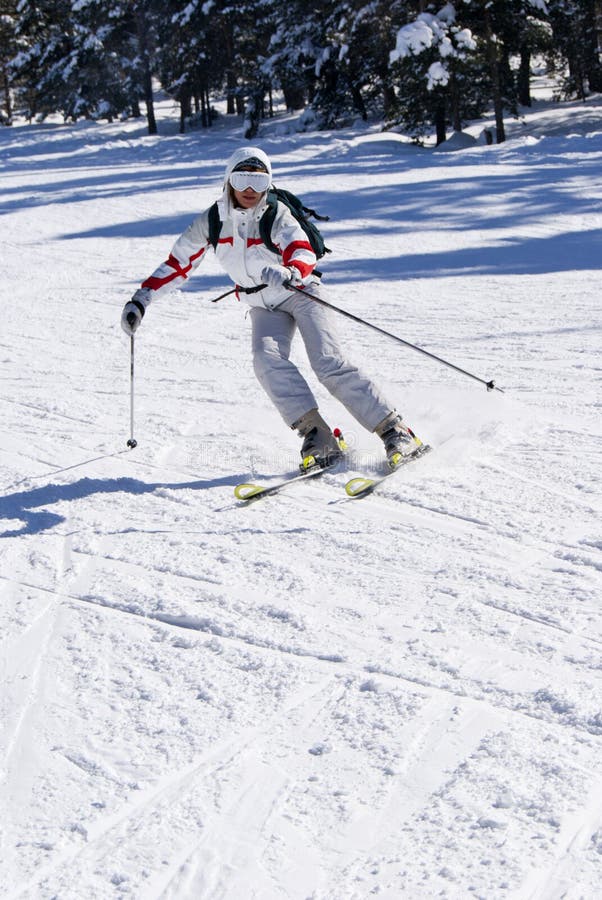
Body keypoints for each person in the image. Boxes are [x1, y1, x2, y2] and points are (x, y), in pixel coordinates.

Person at [121, 146, 421, 470]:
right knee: (266, 360)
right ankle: (318, 435)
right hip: (261, 304)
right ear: (228, 180)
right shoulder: (213, 220)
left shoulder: (275, 213)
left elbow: (302, 248)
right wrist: (142, 299)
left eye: (259, 181)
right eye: (242, 178)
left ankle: (396, 430)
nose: (250, 189)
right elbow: (178, 264)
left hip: (300, 291)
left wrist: (291, 271)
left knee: (327, 361)